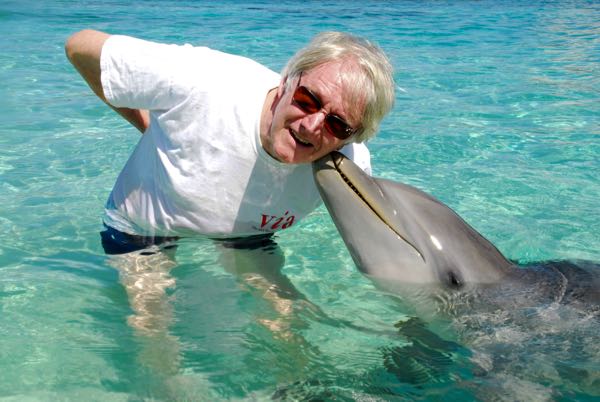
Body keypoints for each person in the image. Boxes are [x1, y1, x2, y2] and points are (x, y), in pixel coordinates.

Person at [65, 30, 394, 252]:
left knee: (289, 328)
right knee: (158, 344)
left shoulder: (348, 167)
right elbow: (80, 46)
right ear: (285, 83)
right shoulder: (202, 82)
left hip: (248, 238)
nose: (311, 125)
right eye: (307, 99)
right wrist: (148, 123)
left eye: (337, 124)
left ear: (353, 136)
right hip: (144, 230)